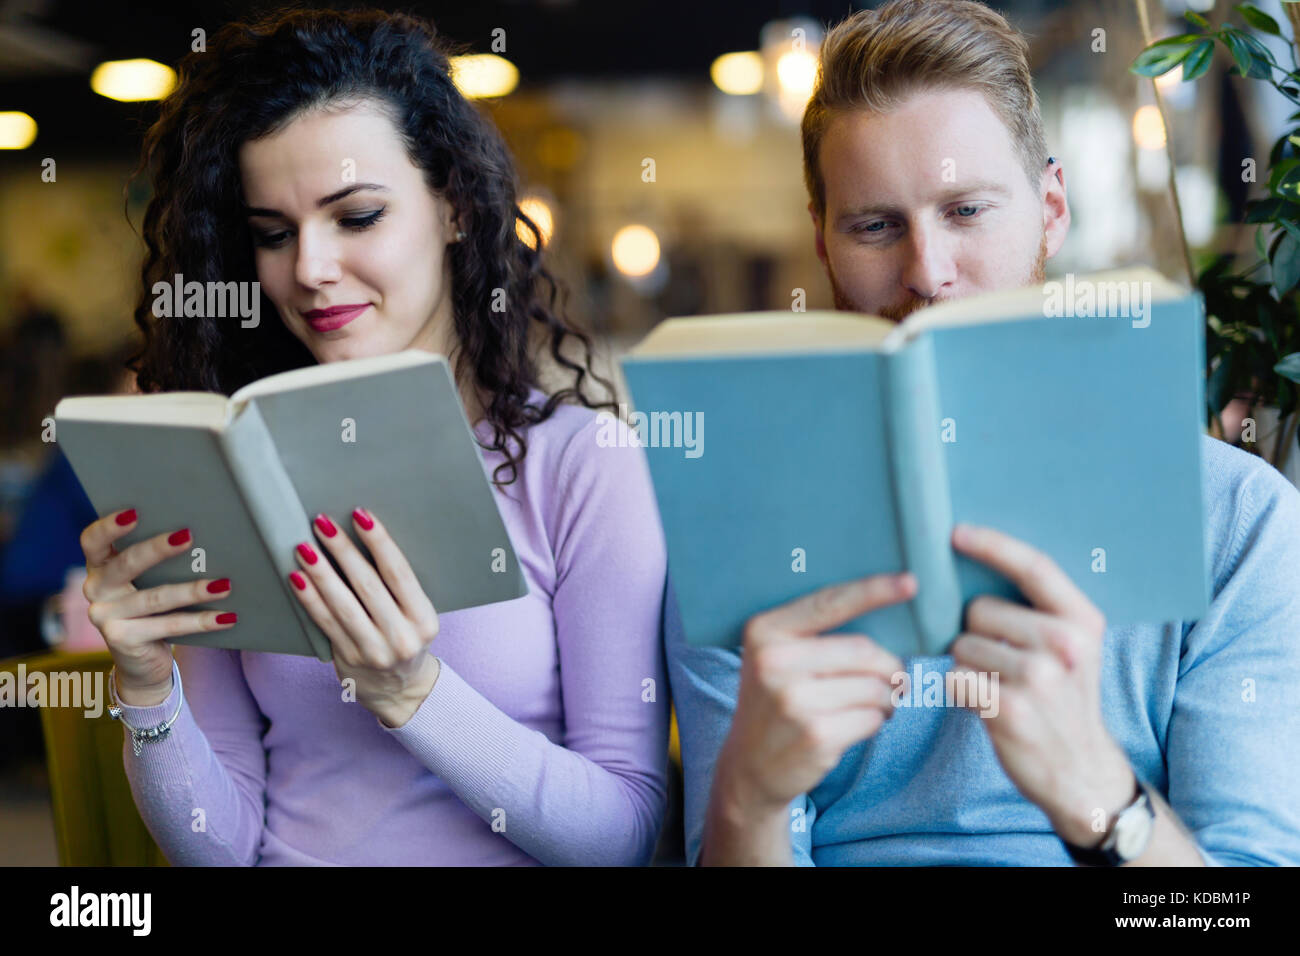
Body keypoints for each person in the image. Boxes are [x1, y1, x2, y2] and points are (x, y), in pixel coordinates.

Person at [667, 0, 1300, 866]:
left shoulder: (1240, 521)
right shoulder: (741, 532)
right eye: (876, 225)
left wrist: (1100, 798)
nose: (926, 273)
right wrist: (749, 797)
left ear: (1050, 207)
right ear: (822, 240)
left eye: (965, 210)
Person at [78, 7, 669, 866]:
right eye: (273, 234)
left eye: (355, 217)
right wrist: (146, 685)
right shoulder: (238, 471)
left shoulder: (580, 466)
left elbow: (622, 835)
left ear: (456, 207)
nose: (308, 269)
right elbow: (219, 847)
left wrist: (411, 692)